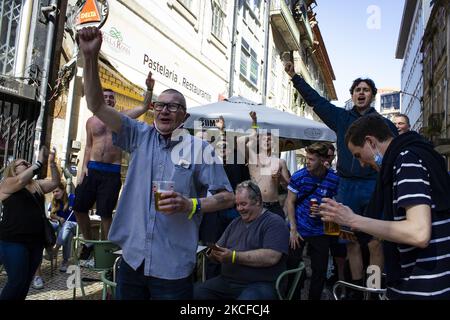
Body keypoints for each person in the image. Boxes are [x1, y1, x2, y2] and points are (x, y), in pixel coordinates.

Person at [77, 26, 235, 300]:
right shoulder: (137, 135)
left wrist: (191, 204)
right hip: (132, 260)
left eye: (173, 106)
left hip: (172, 267)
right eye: (160, 105)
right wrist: (90, 59)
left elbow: (227, 197)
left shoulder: (200, 149)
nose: (164, 110)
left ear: (183, 117)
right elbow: (97, 106)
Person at [285, 61, 398, 296]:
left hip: (374, 187)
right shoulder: (340, 118)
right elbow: (316, 101)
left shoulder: (385, 124)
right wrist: (295, 77)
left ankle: (374, 289)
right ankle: (357, 291)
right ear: (352, 95)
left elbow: (393, 155)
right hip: (346, 188)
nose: (361, 93)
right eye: (357, 89)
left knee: (376, 243)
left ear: (373, 96)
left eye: (366, 89)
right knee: (350, 243)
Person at [319, 114, 450, 299]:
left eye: (358, 155)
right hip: (415, 282)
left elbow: (418, 233)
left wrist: (352, 219)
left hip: (422, 287)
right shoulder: (402, 162)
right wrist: (343, 222)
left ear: (371, 142)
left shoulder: (406, 160)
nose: (362, 164)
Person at [74, 72, 156, 261]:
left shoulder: (122, 117)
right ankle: (88, 243)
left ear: (115, 102)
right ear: (102, 99)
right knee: (79, 207)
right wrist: (82, 170)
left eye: (112, 97)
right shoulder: (91, 121)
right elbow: (88, 146)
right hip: (92, 168)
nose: (109, 99)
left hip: (111, 171)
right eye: (106, 97)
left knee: (105, 214)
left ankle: (109, 254)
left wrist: (149, 89)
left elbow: (144, 107)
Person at [194, 180, 289, 300]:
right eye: (237, 204)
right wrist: (213, 254)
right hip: (228, 282)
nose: (239, 209)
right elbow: (218, 246)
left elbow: (272, 257)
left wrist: (234, 256)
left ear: (258, 201)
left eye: (243, 204)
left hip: (261, 284)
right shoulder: (235, 223)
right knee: (197, 292)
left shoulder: (274, 222)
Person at [0, 147, 60, 300]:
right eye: (22, 163)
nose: (27, 164)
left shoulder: (36, 185)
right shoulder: (7, 183)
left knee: (25, 282)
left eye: (28, 162)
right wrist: (38, 163)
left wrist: (52, 164)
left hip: (36, 242)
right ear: (13, 169)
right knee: (16, 281)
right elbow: (20, 180)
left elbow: (54, 182)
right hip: (13, 241)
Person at [198, 116, 251, 279]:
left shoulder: (238, 161)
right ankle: (211, 280)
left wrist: (222, 130)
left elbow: (246, 184)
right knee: (212, 247)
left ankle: (228, 278)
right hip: (212, 212)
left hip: (233, 212)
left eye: (226, 145)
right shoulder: (209, 160)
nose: (223, 148)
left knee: (231, 246)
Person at [285, 142, 339, 300]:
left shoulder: (334, 179)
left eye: (312, 159)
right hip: (299, 229)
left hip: (320, 231)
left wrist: (324, 210)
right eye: (307, 158)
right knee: (292, 266)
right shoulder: (299, 176)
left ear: (322, 160)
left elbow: (337, 203)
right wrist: (293, 230)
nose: (307, 162)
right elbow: (290, 202)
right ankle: (293, 295)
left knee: (319, 270)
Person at [239, 111, 291, 218]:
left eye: (270, 138)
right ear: (258, 140)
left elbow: (289, 188)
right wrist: (254, 127)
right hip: (257, 206)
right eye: (264, 137)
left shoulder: (280, 162)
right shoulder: (253, 158)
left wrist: (280, 177)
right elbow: (240, 142)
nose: (267, 139)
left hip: (275, 206)